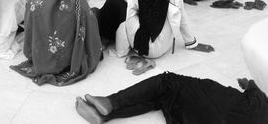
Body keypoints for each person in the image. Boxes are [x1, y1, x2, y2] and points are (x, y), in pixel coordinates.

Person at [11, 0, 102, 86]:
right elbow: (90, 30)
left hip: (38, 56)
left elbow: (29, 28)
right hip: (68, 61)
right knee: (94, 14)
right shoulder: (79, 2)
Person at [76, 71, 268, 124]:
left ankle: (110, 102)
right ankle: (103, 116)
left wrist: (251, 84)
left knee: (168, 82)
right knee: (165, 99)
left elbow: (255, 85)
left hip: (233, 110)